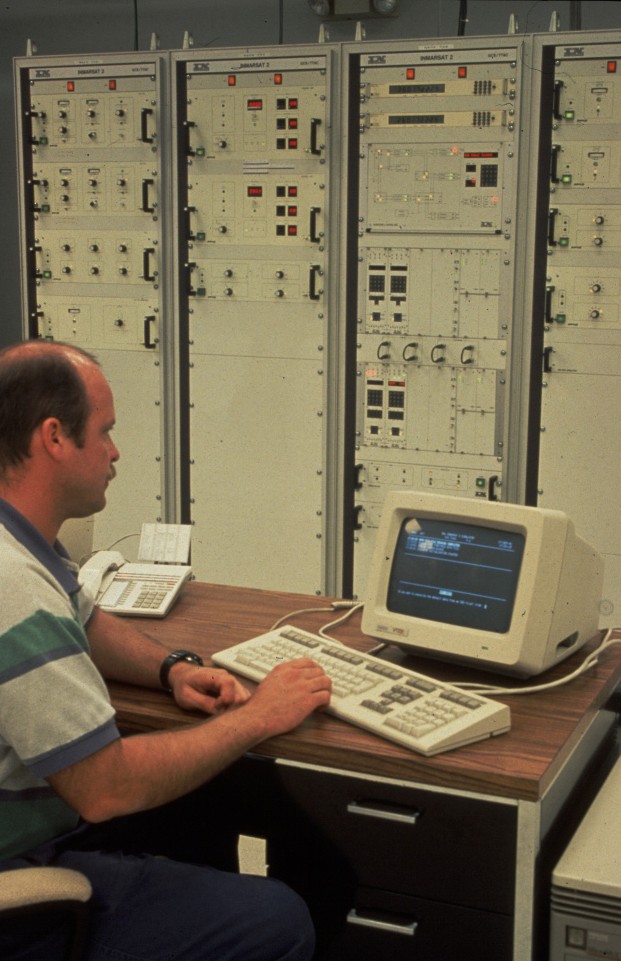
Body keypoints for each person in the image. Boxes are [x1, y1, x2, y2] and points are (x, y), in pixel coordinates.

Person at [0, 339, 332, 961]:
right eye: (105, 432)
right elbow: (105, 788)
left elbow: (83, 617)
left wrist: (170, 668)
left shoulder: (19, 544)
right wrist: (259, 717)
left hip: (32, 825)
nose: (115, 452)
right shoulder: (13, 590)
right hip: (18, 891)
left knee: (202, 799)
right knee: (278, 918)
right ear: (54, 437)